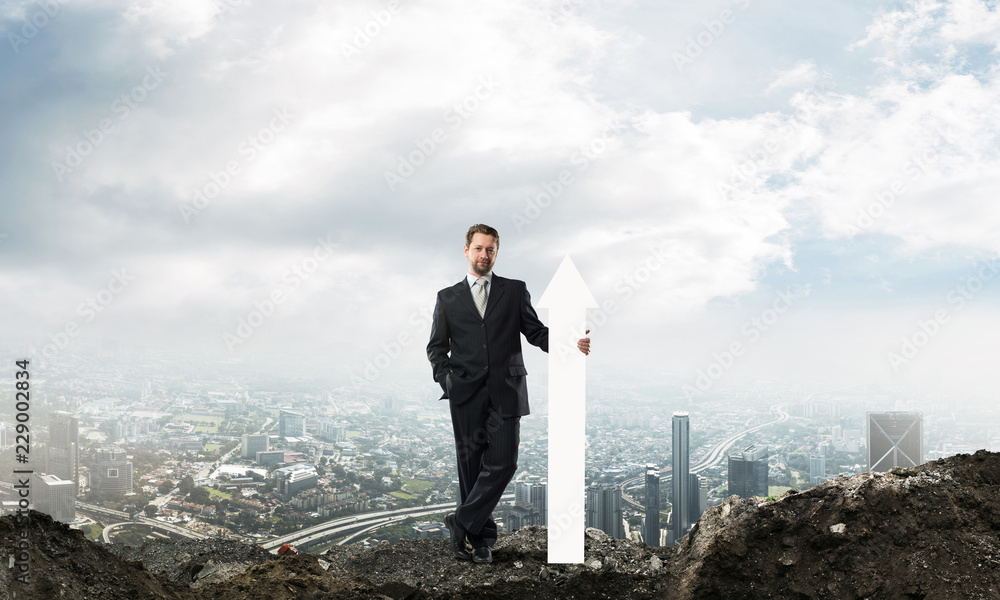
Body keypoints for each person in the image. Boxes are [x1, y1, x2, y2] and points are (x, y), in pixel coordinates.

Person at [426, 223, 590, 564]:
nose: (484, 255)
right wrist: (447, 380)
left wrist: (569, 342)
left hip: (506, 390)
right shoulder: (447, 297)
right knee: (470, 469)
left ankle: (460, 522)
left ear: (496, 253)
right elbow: (436, 348)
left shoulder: (514, 290)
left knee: (504, 462)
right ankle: (480, 540)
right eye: (479, 248)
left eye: (490, 250)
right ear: (466, 250)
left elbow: (535, 332)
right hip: (465, 394)